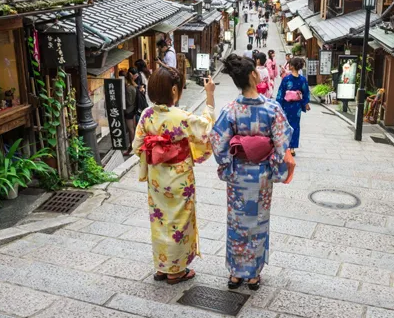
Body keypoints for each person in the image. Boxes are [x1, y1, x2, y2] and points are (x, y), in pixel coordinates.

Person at [211, 55, 293, 291]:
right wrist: (272, 164)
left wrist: (228, 164)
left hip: (238, 176)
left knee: (237, 222)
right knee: (258, 222)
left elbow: (219, 143)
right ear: (254, 76)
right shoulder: (272, 109)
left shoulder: (231, 110)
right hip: (262, 177)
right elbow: (281, 142)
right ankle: (254, 274)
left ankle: (236, 273)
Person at [132, 67, 216, 284]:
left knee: (160, 220)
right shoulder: (182, 117)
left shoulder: (146, 115)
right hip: (179, 178)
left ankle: (162, 266)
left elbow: (137, 146)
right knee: (179, 220)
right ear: (173, 90)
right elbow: (205, 129)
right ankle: (176, 271)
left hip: (157, 177)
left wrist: (156, 151)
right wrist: (209, 95)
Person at [276, 58, 310, 157]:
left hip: (286, 105)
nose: (289, 66)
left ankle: (285, 146)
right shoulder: (303, 80)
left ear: (292, 66)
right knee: (295, 126)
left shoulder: (286, 79)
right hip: (297, 107)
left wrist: (278, 105)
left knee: (285, 126)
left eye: (290, 64)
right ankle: (292, 149)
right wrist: (305, 103)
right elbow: (306, 93)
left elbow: (281, 93)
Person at [123, 68, 139, 156]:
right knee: (133, 128)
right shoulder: (135, 86)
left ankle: (132, 148)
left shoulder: (129, 88)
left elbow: (129, 102)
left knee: (131, 129)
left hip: (129, 111)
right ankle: (133, 147)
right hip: (133, 110)